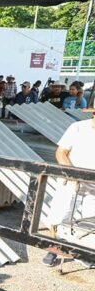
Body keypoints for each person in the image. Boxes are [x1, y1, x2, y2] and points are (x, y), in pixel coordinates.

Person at [42, 113, 95, 267]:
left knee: (89, 221)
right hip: (72, 181)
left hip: (93, 186)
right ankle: (54, 248)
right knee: (58, 217)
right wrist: (71, 173)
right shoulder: (77, 128)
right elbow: (61, 152)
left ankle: (85, 252)